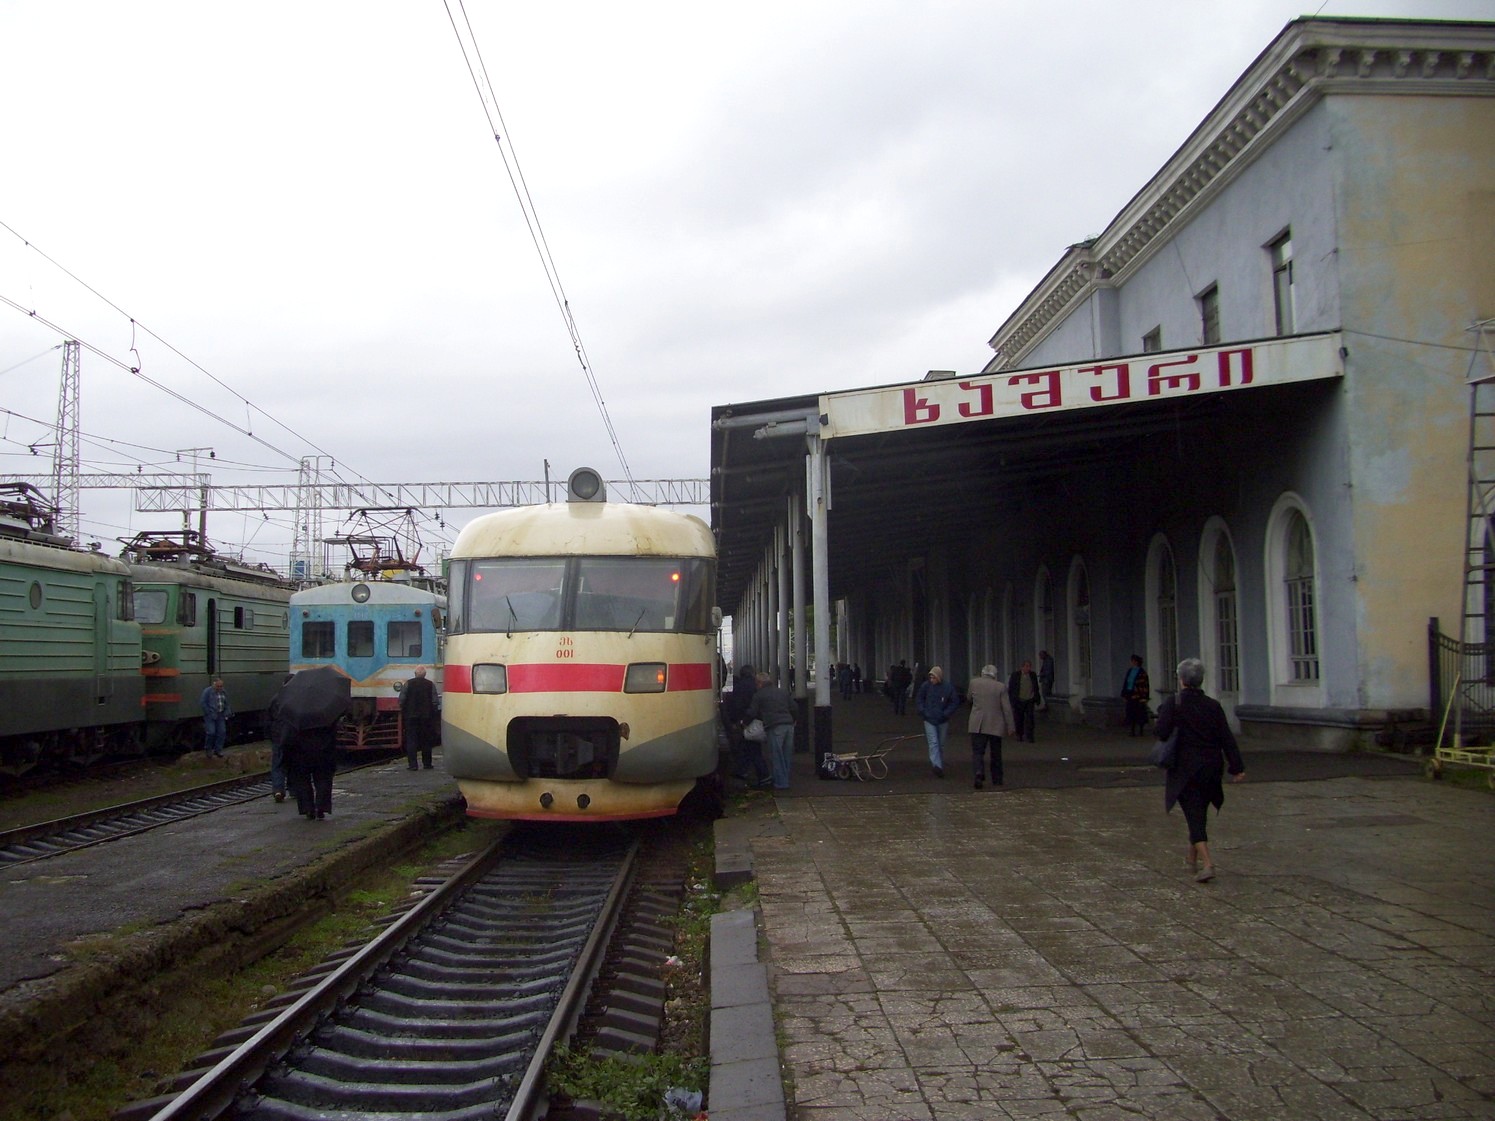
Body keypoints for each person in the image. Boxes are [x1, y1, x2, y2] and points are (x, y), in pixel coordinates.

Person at [1154, 657, 1245, 883]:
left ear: (1182, 679)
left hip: (1185, 768)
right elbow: (1227, 738)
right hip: (1211, 766)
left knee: (1193, 813)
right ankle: (1191, 859)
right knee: (1198, 811)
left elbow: (1162, 733)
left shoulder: (1174, 703)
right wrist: (1237, 767)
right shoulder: (1213, 706)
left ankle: (1207, 863)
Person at [744, 670, 796, 790]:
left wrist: (744, 723)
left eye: (756, 683)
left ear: (760, 683)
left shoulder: (759, 695)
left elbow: (752, 712)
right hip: (788, 725)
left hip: (774, 726)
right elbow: (794, 707)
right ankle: (785, 779)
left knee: (777, 756)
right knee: (786, 755)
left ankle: (781, 783)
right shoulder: (782, 692)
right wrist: (794, 719)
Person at [966, 664, 1015, 788]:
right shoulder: (1000, 687)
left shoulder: (974, 683)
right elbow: (1007, 708)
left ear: (982, 673)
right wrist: (1011, 726)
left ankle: (978, 772)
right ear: (995, 675)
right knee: (996, 753)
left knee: (977, 751)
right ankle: (997, 779)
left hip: (977, 724)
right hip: (995, 724)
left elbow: (969, 698)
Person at [724, 664, 770, 787]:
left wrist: (736, 721)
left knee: (748, 748)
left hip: (744, 721)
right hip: (754, 721)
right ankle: (753, 773)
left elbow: (735, 705)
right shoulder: (755, 686)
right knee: (752, 748)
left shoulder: (738, 687)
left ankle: (757, 774)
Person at [286, 723, 339, 820]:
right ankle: (321, 807)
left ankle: (307, 808)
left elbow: (287, 737)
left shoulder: (294, 716)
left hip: (300, 753)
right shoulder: (325, 714)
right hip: (323, 752)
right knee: (323, 780)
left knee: (302, 781)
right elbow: (333, 735)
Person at [914, 665, 960, 777]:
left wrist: (945, 713)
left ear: (939, 677)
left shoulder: (947, 687)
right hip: (930, 719)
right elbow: (919, 699)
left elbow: (954, 702)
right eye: (930, 677)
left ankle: (937, 764)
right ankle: (937, 766)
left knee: (940, 744)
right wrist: (923, 711)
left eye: (933, 677)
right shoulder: (926, 686)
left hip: (942, 719)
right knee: (933, 742)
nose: (931, 680)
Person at [398, 665, 439, 770]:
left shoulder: (408, 684)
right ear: (425, 675)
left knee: (411, 740)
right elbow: (435, 701)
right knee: (426, 740)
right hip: (426, 717)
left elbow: (402, 699)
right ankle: (427, 764)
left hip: (411, 716)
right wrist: (433, 712)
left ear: (415, 674)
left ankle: (413, 765)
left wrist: (404, 709)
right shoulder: (430, 685)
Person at [266, 674, 294, 802]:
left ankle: (278, 790)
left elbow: (268, 719)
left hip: (277, 736)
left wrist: (270, 736)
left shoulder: (275, 699)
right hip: (292, 737)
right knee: (293, 764)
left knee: (277, 764)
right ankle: (294, 790)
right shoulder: (297, 699)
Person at [1008, 660, 1041, 743]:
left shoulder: (1032, 675)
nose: (1028, 668)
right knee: (1019, 718)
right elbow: (1011, 688)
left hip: (1029, 700)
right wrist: (1012, 700)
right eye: (1026, 666)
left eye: (1029, 666)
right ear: (1022, 667)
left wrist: (1037, 698)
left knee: (1030, 718)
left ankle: (1030, 736)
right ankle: (1019, 734)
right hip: (1019, 700)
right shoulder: (1016, 675)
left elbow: (1036, 687)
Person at [200, 677, 232, 758]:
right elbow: (203, 702)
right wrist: (208, 712)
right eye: (218, 686)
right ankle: (208, 749)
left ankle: (218, 750)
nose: (220, 688)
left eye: (221, 686)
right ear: (214, 685)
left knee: (222, 732)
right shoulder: (207, 691)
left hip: (220, 714)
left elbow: (226, 702)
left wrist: (227, 711)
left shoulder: (223, 692)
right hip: (211, 715)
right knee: (211, 732)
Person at [1120, 654, 1151, 736]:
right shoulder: (1130, 671)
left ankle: (1141, 730)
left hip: (1139, 695)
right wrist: (1124, 694)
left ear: (1136, 662)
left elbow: (1145, 685)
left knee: (1140, 713)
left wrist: (1145, 697)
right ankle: (1132, 730)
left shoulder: (1142, 672)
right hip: (1130, 694)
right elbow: (1126, 682)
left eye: (1133, 661)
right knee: (1131, 712)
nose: (1132, 662)